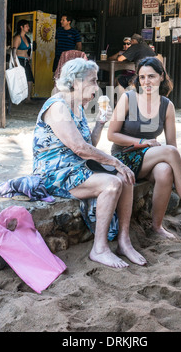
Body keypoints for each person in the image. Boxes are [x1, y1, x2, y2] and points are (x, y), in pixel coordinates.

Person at [33, 57, 146, 269]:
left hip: (76, 168)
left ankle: (124, 241)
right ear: (76, 82)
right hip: (54, 173)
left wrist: (100, 123)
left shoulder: (77, 106)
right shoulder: (58, 106)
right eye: (93, 81)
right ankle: (99, 249)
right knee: (112, 183)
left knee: (126, 175)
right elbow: (79, 148)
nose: (97, 86)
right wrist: (115, 162)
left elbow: (89, 143)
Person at [108, 57, 181, 238]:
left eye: (151, 76)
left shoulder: (167, 106)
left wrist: (178, 174)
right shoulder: (128, 98)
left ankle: (157, 226)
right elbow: (111, 135)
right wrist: (142, 142)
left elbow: (172, 145)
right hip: (124, 158)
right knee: (170, 152)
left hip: (149, 159)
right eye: (142, 77)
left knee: (165, 170)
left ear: (161, 77)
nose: (146, 82)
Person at [13, 19, 34, 103]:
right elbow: (14, 51)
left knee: (29, 79)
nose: (28, 27)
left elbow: (28, 50)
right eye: (26, 26)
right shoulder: (17, 37)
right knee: (20, 80)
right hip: (19, 60)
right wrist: (15, 63)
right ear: (21, 27)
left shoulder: (27, 38)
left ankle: (28, 98)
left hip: (26, 60)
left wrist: (28, 57)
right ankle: (20, 98)